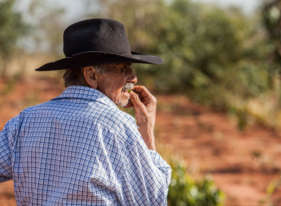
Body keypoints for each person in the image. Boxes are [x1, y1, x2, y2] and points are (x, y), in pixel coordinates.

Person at [0, 18, 171, 205]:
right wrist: (147, 132)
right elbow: (152, 200)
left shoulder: (25, 120)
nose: (134, 78)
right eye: (123, 69)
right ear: (91, 75)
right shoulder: (118, 126)